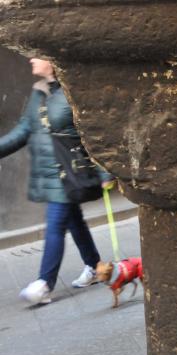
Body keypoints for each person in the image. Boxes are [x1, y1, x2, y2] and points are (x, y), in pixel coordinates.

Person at [0, 58, 111, 305]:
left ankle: (44, 284)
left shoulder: (73, 91)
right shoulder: (39, 92)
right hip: (50, 174)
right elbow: (23, 130)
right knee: (74, 221)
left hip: (69, 172)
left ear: (51, 62)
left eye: (37, 56)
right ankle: (94, 266)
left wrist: (105, 171)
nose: (31, 59)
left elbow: (93, 133)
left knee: (55, 224)